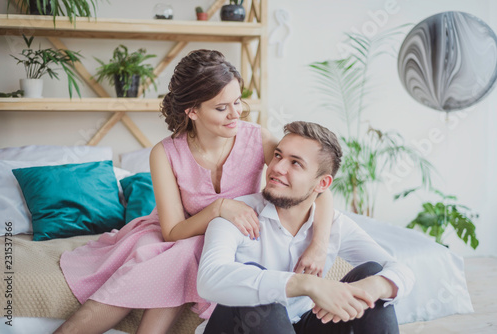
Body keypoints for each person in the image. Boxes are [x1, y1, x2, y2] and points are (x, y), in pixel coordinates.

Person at [55, 50, 336, 334]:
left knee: (184, 254)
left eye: (237, 101)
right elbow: (172, 232)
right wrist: (219, 208)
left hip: (227, 238)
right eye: (221, 107)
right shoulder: (165, 153)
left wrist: (319, 244)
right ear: (192, 111)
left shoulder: (257, 138)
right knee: (170, 251)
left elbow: (317, 189)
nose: (235, 113)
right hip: (179, 231)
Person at [197, 121, 415, 334]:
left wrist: (373, 287)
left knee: (373, 273)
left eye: (295, 163)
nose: (276, 168)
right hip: (237, 327)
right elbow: (209, 279)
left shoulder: (333, 225)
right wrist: (306, 284)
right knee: (260, 290)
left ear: (322, 184)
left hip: (301, 324)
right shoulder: (238, 215)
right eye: (278, 155)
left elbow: (401, 271)